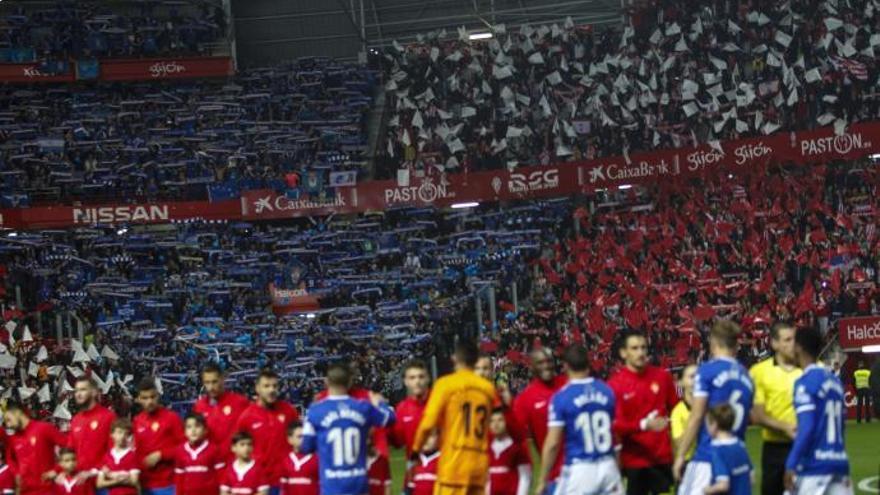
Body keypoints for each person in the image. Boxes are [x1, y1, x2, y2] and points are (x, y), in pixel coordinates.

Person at [673, 320, 754, 495]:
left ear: (713, 342)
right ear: (735, 345)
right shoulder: (747, 376)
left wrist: (680, 455)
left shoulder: (707, 371)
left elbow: (697, 415)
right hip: (737, 454)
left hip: (709, 456)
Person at [533, 344, 623, 495]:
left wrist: (543, 479)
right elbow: (617, 433)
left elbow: (553, 443)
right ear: (588, 363)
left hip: (580, 469)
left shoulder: (561, 397)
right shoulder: (607, 391)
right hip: (608, 465)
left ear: (566, 366)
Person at [413, 340, 497, 495]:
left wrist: (415, 450)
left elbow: (428, 423)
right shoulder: (489, 389)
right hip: (479, 466)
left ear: (454, 358)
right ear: (474, 361)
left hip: (454, 465)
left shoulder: (445, 384)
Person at [301, 362, 395, 495]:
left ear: (327, 382)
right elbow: (389, 418)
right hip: (358, 482)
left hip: (331, 483)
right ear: (350, 382)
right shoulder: (363, 407)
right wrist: (379, 403)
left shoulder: (315, 410)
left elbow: (306, 446)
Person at [607, 329, 678, 495]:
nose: (641, 352)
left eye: (643, 348)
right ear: (623, 353)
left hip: (662, 458)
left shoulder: (662, 377)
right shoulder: (615, 385)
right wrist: (643, 425)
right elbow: (616, 426)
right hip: (634, 461)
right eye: (635, 348)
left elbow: (676, 411)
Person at [784, 326, 852, 495]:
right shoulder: (835, 383)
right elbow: (841, 427)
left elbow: (806, 428)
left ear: (799, 347)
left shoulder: (805, 383)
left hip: (814, 467)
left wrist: (791, 463)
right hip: (839, 463)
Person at [749, 322, 800, 495]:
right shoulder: (759, 372)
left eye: (794, 339)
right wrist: (787, 428)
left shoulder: (810, 368)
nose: (792, 344)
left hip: (804, 445)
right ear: (774, 343)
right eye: (787, 340)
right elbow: (758, 415)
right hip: (774, 450)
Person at [235, 368, 300, 493]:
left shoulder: (289, 412)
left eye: (275, 386)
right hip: (258, 482)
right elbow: (238, 451)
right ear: (257, 388)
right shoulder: (246, 417)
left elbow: (298, 443)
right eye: (266, 386)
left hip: (285, 480)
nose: (271, 390)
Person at [512, 348, 567, 491]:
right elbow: (514, 432)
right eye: (540, 362)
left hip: (580, 469)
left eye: (548, 361)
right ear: (532, 366)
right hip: (554, 475)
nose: (546, 365)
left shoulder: (568, 385)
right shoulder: (526, 398)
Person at [132, 377, 185, 495]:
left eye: (152, 397)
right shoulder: (137, 421)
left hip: (169, 485)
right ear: (139, 399)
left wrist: (161, 454)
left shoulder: (172, 418)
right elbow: (136, 451)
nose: (149, 401)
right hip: (145, 485)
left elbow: (184, 448)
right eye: (145, 398)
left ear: (158, 396)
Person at [4, 401, 69, 495]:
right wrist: (16, 473)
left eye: (8, 420)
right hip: (25, 492)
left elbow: (70, 445)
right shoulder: (14, 439)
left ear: (18, 413)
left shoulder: (43, 428)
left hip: (46, 490)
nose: (8, 425)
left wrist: (58, 470)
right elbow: (10, 458)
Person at [193, 363, 249, 454]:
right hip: (211, 462)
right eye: (207, 383)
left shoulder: (240, 403)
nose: (211, 387)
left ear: (223, 379)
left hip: (232, 462)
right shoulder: (199, 406)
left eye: (214, 382)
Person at [69, 377, 116, 483]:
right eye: (76, 390)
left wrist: (93, 472)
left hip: (102, 482)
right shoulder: (76, 420)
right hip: (81, 482)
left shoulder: (108, 417)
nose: (78, 394)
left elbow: (114, 452)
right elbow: (70, 451)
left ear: (94, 392)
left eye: (83, 390)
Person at [703, 405, 753, 495]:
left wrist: (706, 490)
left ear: (714, 425)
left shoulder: (716, 450)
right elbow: (751, 478)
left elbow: (723, 485)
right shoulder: (740, 445)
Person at [173, 413, 225, 495]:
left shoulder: (214, 450)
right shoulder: (180, 451)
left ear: (205, 430)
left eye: (197, 426)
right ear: (184, 432)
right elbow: (179, 479)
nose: (193, 430)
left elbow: (222, 477)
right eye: (189, 427)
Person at [391, 359, 431, 456]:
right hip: (415, 468)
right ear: (406, 381)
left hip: (441, 468)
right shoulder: (401, 409)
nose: (417, 381)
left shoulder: (439, 402)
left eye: (421, 377)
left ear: (428, 378)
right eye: (412, 378)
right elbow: (398, 442)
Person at [488, 409, 531, 495]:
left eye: (500, 420)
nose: (496, 424)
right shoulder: (487, 448)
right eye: (492, 421)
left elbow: (525, 476)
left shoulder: (517, 447)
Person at [97, 419, 140, 495]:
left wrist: (111, 475)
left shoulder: (132, 455)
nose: (122, 436)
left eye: (126, 434)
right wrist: (121, 478)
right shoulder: (106, 456)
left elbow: (134, 481)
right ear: (112, 434)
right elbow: (100, 483)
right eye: (119, 432)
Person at [279, 421, 319, 495]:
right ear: (290, 439)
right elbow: (284, 488)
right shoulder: (286, 461)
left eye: (305, 436)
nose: (303, 440)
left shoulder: (316, 459)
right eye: (299, 436)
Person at [670, 364, 697, 462]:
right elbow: (679, 444)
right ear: (680, 382)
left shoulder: (709, 405)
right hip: (689, 462)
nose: (696, 380)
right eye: (691, 377)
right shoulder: (677, 412)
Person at [407, 431, 439, 495]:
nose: (425, 439)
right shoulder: (415, 461)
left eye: (430, 436)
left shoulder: (443, 461)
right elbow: (410, 488)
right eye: (423, 436)